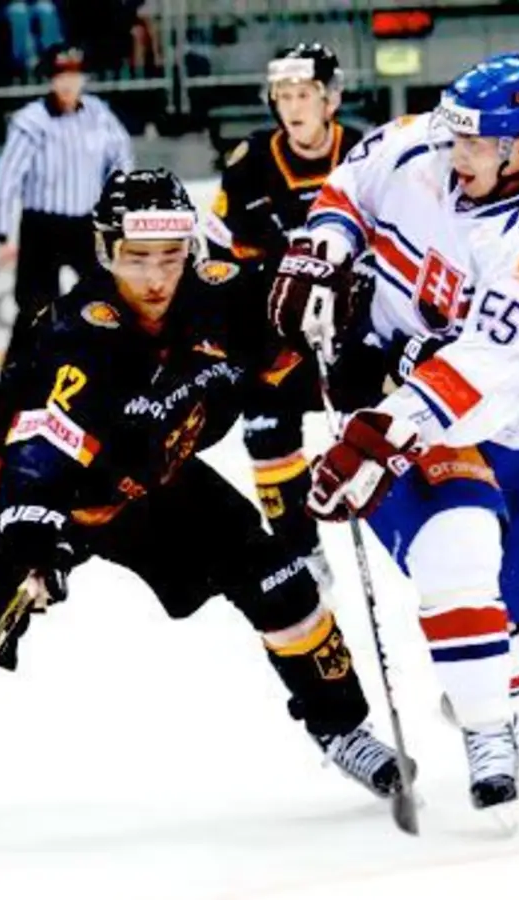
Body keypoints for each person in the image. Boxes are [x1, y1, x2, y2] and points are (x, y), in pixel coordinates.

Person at [0, 169, 404, 829]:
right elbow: (37, 463)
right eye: (137, 258)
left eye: (171, 254)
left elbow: (303, 369)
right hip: (9, 505)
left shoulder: (223, 297)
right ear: (105, 252)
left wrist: (363, 361)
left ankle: (342, 729)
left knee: (279, 581)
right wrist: (36, 551)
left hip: (149, 488)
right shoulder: (77, 337)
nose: (157, 277)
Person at [267, 53, 519, 819]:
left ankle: (488, 697)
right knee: (460, 550)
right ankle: (488, 738)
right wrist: (327, 245)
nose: (455, 156)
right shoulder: (422, 144)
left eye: (476, 145)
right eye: (454, 139)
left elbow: (486, 366)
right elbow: (352, 186)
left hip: (494, 416)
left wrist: (388, 430)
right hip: (387, 398)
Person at [201, 42, 365, 587]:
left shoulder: (365, 153)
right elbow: (221, 259)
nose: (293, 107)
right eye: (284, 96)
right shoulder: (249, 165)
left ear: (330, 99)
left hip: (360, 329)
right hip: (279, 332)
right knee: (266, 428)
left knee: (402, 423)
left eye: (305, 94)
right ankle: (299, 548)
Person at [0, 44, 134, 397]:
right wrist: (3, 236)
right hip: (42, 225)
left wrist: (118, 217)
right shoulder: (31, 121)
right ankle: (13, 385)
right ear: (51, 80)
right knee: (35, 307)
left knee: (108, 296)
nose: (69, 84)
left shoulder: (99, 115)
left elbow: (121, 161)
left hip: (85, 225)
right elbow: (7, 181)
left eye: (74, 75)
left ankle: (119, 373)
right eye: (62, 76)